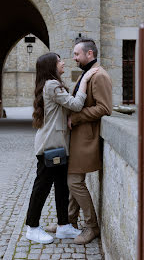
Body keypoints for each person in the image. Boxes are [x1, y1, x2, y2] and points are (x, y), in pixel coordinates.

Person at [25, 52, 97, 244]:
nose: (63, 62)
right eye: (59, 61)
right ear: (51, 66)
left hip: (58, 145)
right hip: (50, 146)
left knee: (62, 187)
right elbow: (75, 104)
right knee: (42, 187)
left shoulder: (49, 85)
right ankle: (32, 228)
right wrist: (85, 79)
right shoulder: (52, 85)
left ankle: (64, 226)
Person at [67, 37, 113, 244]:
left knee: (74, 181)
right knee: (73, 181)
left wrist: (76, 117)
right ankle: (69, 221)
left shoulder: (99, 75)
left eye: (77, 54)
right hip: (78, 138)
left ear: (89, 54)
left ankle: (91, 226)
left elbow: (105, 108)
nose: (74, 58)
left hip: (86, 139)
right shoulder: (87, 73)